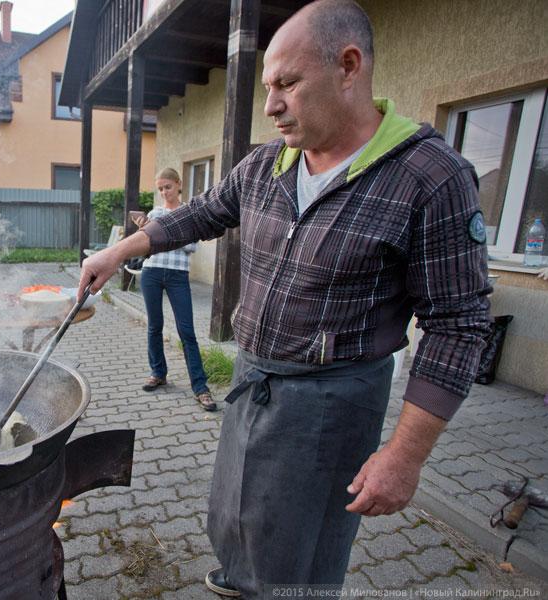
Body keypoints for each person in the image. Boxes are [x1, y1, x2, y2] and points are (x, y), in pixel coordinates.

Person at [78, 0, 492, 596]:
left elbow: (459, 326)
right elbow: (201, 212)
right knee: (235, 514)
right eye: (268, 85)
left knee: (299, 552)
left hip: (332, 402)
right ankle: (240, 578)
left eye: (288, 85)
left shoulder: (431, 176)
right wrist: (121, 250)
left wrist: (405, 457)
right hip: (253, 379)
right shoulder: (267, 164)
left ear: (348, 66)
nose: (270, 104)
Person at [132, 168, 216, 411]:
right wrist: (144, 231)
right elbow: (146, 247)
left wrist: (163, 237)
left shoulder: (189, 212)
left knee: (187, 331)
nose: (164, 192)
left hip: (178, 276)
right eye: (160, 188)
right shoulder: (154, 214)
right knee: (154, 326)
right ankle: (158, 373)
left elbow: (191, 246)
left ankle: (200, 387)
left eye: (167, 186)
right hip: (152, 272)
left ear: (179, 184)